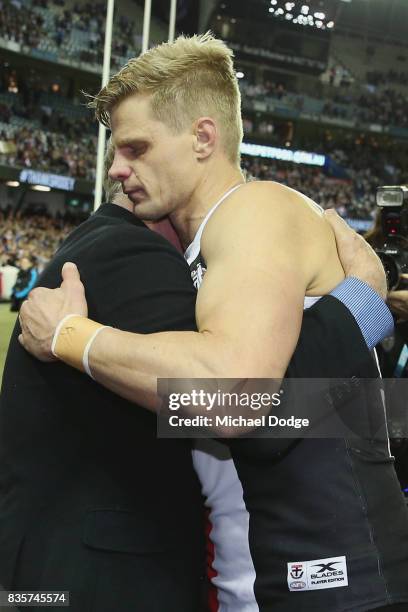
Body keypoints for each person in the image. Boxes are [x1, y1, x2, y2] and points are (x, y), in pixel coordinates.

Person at [18, 34, 408, 612]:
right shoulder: (203, 245)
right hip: (291, 571)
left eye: (136, 148)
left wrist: (72, 337)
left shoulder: (255, 210)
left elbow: (236, 397)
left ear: (203, 137)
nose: (115, 170)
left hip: (342, 576)